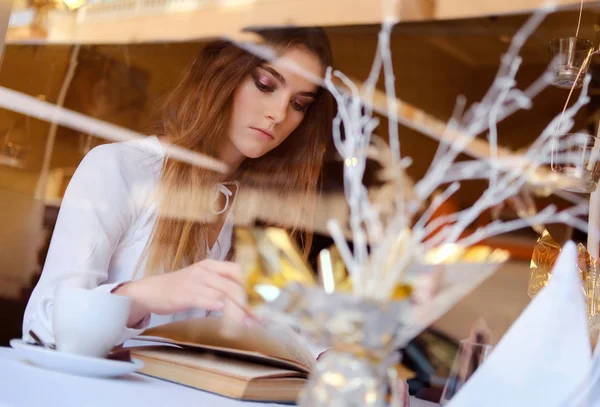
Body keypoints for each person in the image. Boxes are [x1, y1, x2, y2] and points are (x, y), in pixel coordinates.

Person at [22, 27, 334, 344]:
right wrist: (143, 296)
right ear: (222, 75)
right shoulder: (121, 168)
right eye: (266, 85)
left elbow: (277, 332)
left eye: (299, 104)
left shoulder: (261, 208)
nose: (278, 113)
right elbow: (43, 325)